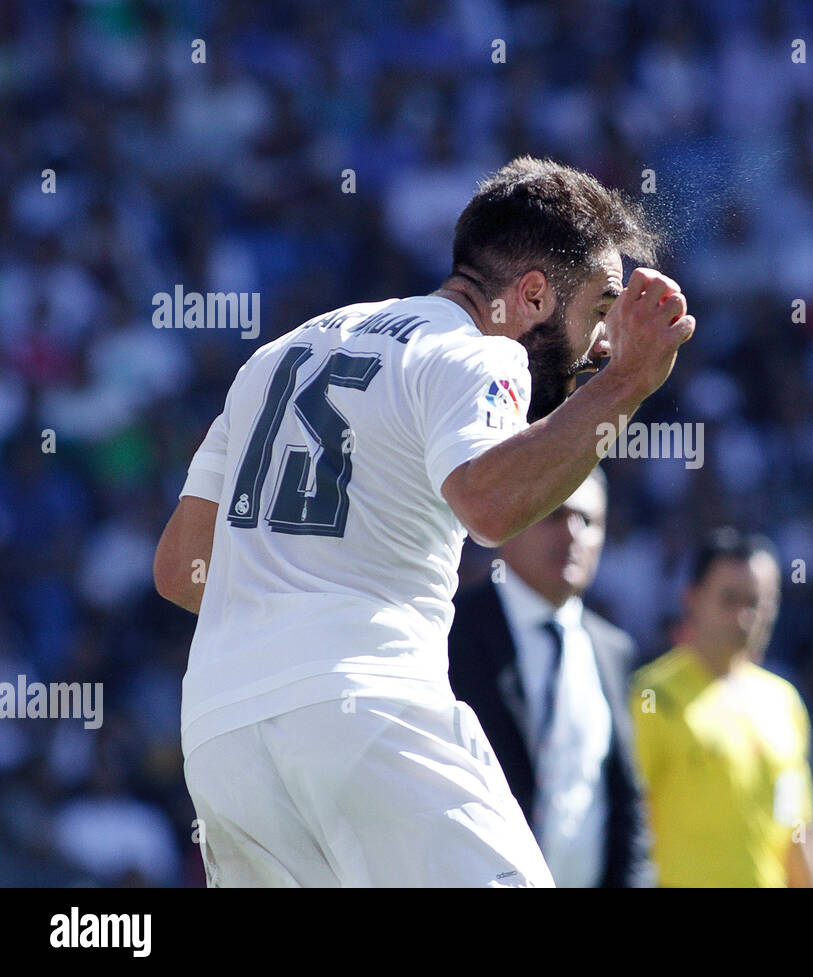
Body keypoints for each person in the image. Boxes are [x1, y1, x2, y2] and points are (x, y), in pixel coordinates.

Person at [151, 156, 695, 887]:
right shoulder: (477, 354)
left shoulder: (277, 356)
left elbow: (182, 566)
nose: (602, 343)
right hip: (367, 712)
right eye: (599, 309)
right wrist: (630, 383)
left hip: (222, 738)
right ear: (532, 293)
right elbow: (491, 506)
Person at [447, 467, 652, 887]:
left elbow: (625, 804)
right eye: (555, 514)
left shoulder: (613, 650)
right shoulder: (449, 633)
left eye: (589, 521)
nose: (573, 533)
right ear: (512, 521)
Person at [631, 528, 813, 887]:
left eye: (757, 602)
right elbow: (628, 829)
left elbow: (798, 833)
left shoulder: (783, 701)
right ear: (691, 599)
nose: (744, 617)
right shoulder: (651, 698)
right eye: (729, 600)